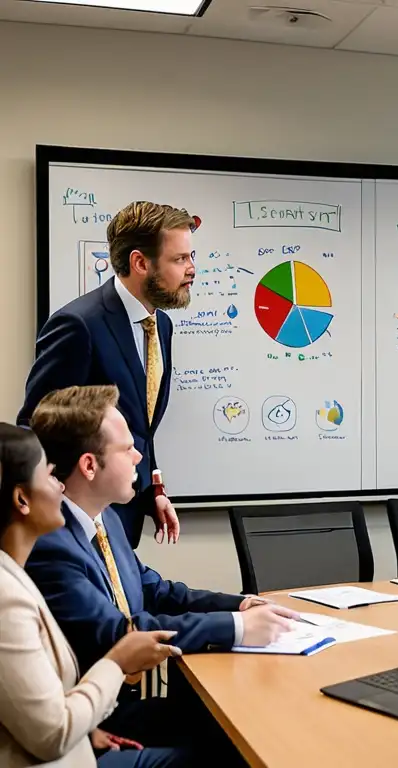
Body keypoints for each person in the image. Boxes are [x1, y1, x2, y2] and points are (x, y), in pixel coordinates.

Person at [23, 385, 296, 755]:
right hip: (93, 722)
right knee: (234, 745)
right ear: (89, 465)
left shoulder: (106, 520)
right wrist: (237, 628)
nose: (139, 456)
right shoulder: (51, 546)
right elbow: (120, 633)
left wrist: (241, 605)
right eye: (126, 448)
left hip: (118, 708)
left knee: (251, 722)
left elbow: (155, 590)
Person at [0, 422, 193, 767]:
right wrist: (117, 662)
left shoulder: (13, 574)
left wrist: (87, 729)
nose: (60, 486)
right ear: (21, 499)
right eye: (49, 476)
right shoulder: (5, 597)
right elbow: (52, 736)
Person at [18, 201, 200, 549]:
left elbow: (140, 425)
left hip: (124, 516)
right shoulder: (79, 325)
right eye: (180, 259)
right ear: (140, 262)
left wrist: (152, 488)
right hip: (74, 522)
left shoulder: (161, 325)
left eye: (191, 257)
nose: (192, 269)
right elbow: (36, 424)